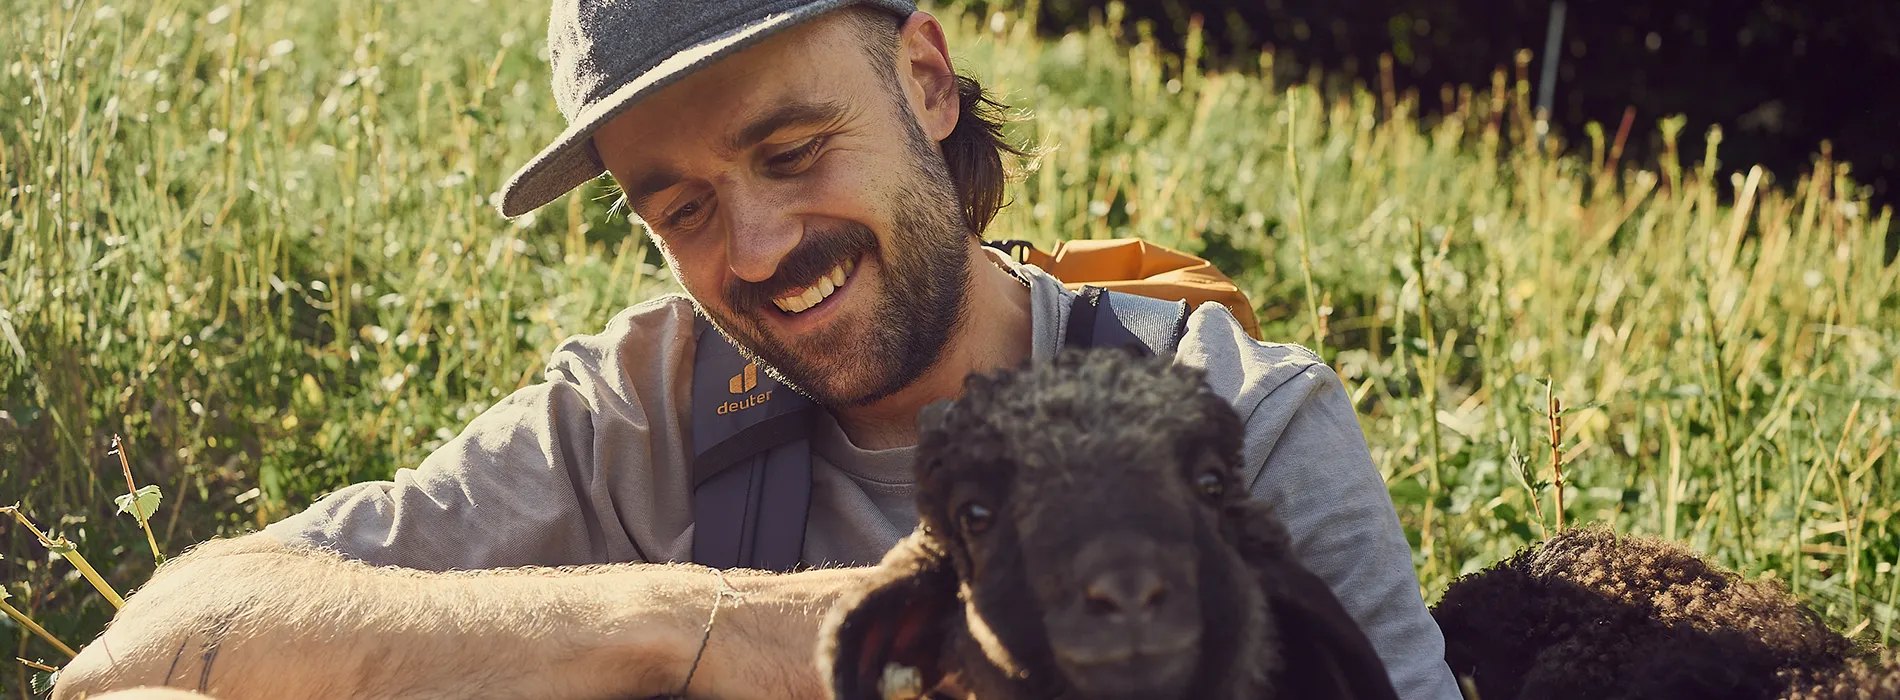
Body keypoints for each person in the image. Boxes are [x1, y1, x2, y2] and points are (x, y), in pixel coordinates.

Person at [54, 1, 1463, 698]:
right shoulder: (637, 418)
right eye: (679, 208)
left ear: (925, 80)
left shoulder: (1246, 422)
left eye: (793, 150)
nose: (759, 246)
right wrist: (710, 627)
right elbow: (144, 649)